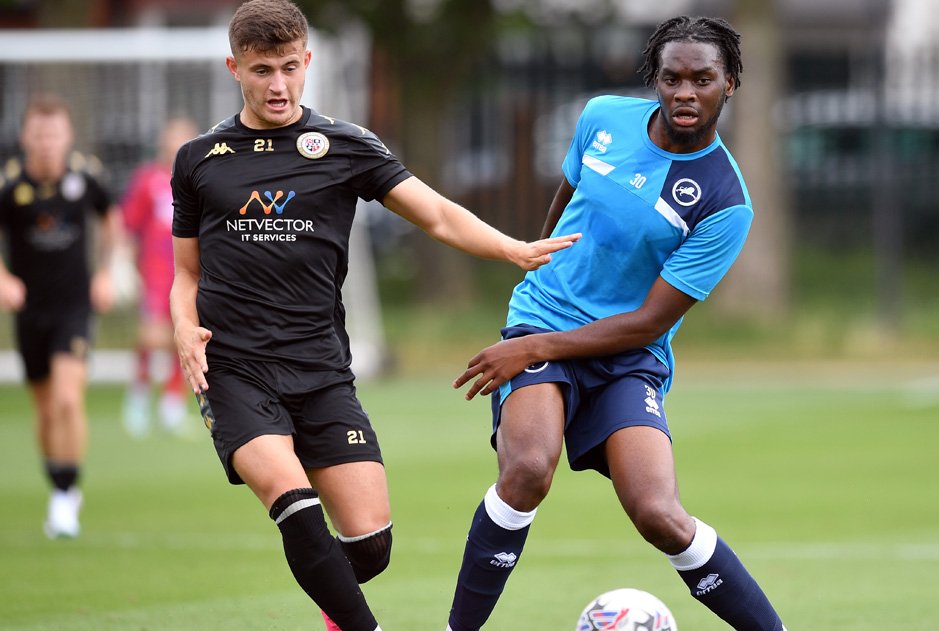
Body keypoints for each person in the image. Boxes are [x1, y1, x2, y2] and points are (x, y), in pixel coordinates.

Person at [169, 2, 579, 630]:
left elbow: (437, 214)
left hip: (322, 370)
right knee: (297, 508)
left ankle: (333, 601)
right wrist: (181, 327)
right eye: (260, 71)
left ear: (307, 61)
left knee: (370, 546)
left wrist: (512, 249)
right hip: (235, 370)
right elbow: (186, 274)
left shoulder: (346, 146)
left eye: (287, 67)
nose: (277, 85)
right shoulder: (200, 159)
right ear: (235, 69)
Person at [447, 15, 786, 631]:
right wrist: (538, 280)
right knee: (526, 471)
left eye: (702, 80)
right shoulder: (601, 116)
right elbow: (569, 198)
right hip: (544, 318)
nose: (686, 93)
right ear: (655, 80)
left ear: (730, 84)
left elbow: (648, 322)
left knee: (659, 513)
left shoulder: (724, 202)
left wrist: (529, 350)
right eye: (672, 78)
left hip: (628, 352)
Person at [0, 94, 122, 539]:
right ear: (25, 137)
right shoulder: (11, 184)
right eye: (39, 134)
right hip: (30, 311)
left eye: (54, 134)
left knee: (69, 399)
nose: (47, 142)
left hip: (74, 307)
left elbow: (112, 221)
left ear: (67, 136)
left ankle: (66, 495)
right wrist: (4, 278)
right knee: (46, 410)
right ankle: (56, 482)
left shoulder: (85, 177)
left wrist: (107, 273)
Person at [121, 116, 199, 438]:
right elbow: (127, 223)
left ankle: (172, 404)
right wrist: (122, 264)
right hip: (154, 273)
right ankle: (138, 398)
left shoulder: (198, 179)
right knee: (150, 338)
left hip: (189, 272)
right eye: (173, 137)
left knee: (181, 337)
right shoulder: (148, 180)